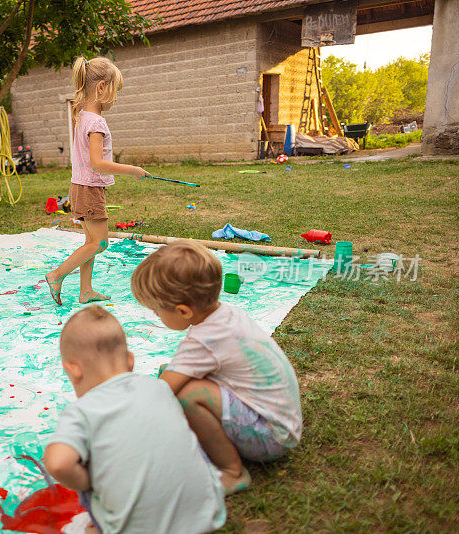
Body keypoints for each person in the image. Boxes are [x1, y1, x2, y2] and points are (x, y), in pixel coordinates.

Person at [131, 241, 303, 495]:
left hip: (270, 437)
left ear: (183, 310)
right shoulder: (226, 314)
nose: (156, 317)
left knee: (188, 396)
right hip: (282, 421)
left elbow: (162, 391)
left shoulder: (203, 340)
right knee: (175, 374)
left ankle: (232, 472)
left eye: (157, 311)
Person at [42, 305, 225, 534]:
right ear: (130, 361)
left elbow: (58, 463)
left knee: (86, 464)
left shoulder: (81, 411)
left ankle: (100, 527)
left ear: (73, 370)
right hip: (207, 517)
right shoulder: (159, 387)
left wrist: (85, 481)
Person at [45, 56, 149, 306]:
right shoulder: (97, 122)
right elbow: (98, 163)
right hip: (89, 189)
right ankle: (57, 275)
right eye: (115, 91)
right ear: (101, 88)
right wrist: (133, 169)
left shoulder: (82, 114)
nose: (115, 98)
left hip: (80, 186)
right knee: (100, 243)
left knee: (90, 242)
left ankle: (86, 291)